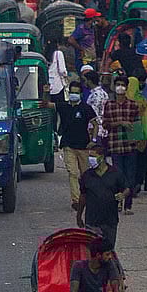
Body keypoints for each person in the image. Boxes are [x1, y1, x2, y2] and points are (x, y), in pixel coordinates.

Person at [76, 139, 129, 248]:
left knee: (108, 250)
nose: (91, 159)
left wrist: (122, 195)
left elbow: (126, 188)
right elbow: (83, 196)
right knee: (93, 251)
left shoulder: (115, 173)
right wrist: (79, 215)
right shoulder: (87, 175)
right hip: (92, 221)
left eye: (93, 156)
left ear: (102, 157)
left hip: (110, 221)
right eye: (90, 156)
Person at [103, 75, 141, 215]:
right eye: (117, 84)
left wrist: (136, 140)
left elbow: (137, 124)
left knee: (130, 177)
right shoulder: (109, 105)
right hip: (115, 145)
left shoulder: (133, 105)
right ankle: (118, 202)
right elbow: (105, 125)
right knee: (118, 176)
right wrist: (120, 123)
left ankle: (128, 205)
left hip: (130, 146)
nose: (120, 87)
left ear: (126, 87)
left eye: (122, 85)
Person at [58, 80, 97, 214]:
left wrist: (94, 140)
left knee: (85, 175)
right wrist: (46, 92)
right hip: (68, 145)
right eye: (72, 92)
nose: (74, 95)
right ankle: (76, 200)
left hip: (83, 146)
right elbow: (48, 105)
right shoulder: (64, 107)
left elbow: (95, 124)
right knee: (73, 173)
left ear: (81, 94)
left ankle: (87, 197)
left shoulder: (86, 108)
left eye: (76, 92)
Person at [47, 39, 69, 116]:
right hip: (58, 87)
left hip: (49, 87)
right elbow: (62, 70)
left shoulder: (44, 53)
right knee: (60, 109)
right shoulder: (58, 53)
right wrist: (66, 76)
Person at [84, 70, 108, 138]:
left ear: (90, 81)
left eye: (85, 80)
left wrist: (92, 130)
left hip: (96, 131)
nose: (84, 82)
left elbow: (94, 114)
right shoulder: (103, 93)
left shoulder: (96, 95)